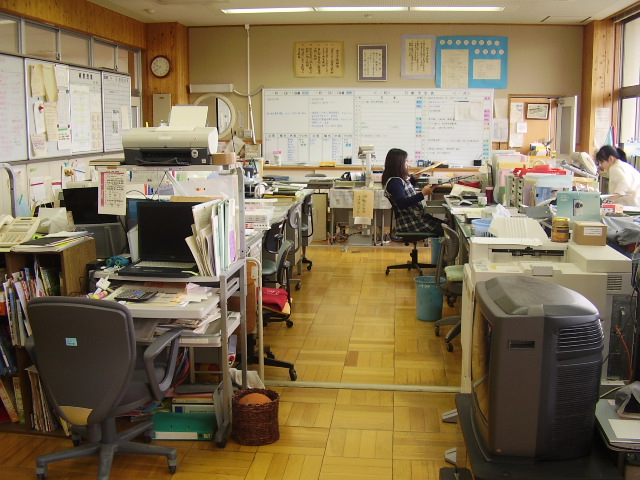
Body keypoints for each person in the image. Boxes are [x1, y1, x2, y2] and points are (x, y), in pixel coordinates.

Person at [382, 148, 444, 235]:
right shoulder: (395, 182)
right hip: (411, 222)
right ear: (398, 163)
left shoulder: (397, 180)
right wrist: (422, 194)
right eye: (405, 161)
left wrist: (413, 179)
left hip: (416, 218)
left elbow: (405, 191)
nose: (407, 164)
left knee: (446, 226)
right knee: (447, 230)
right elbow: (402, 203)